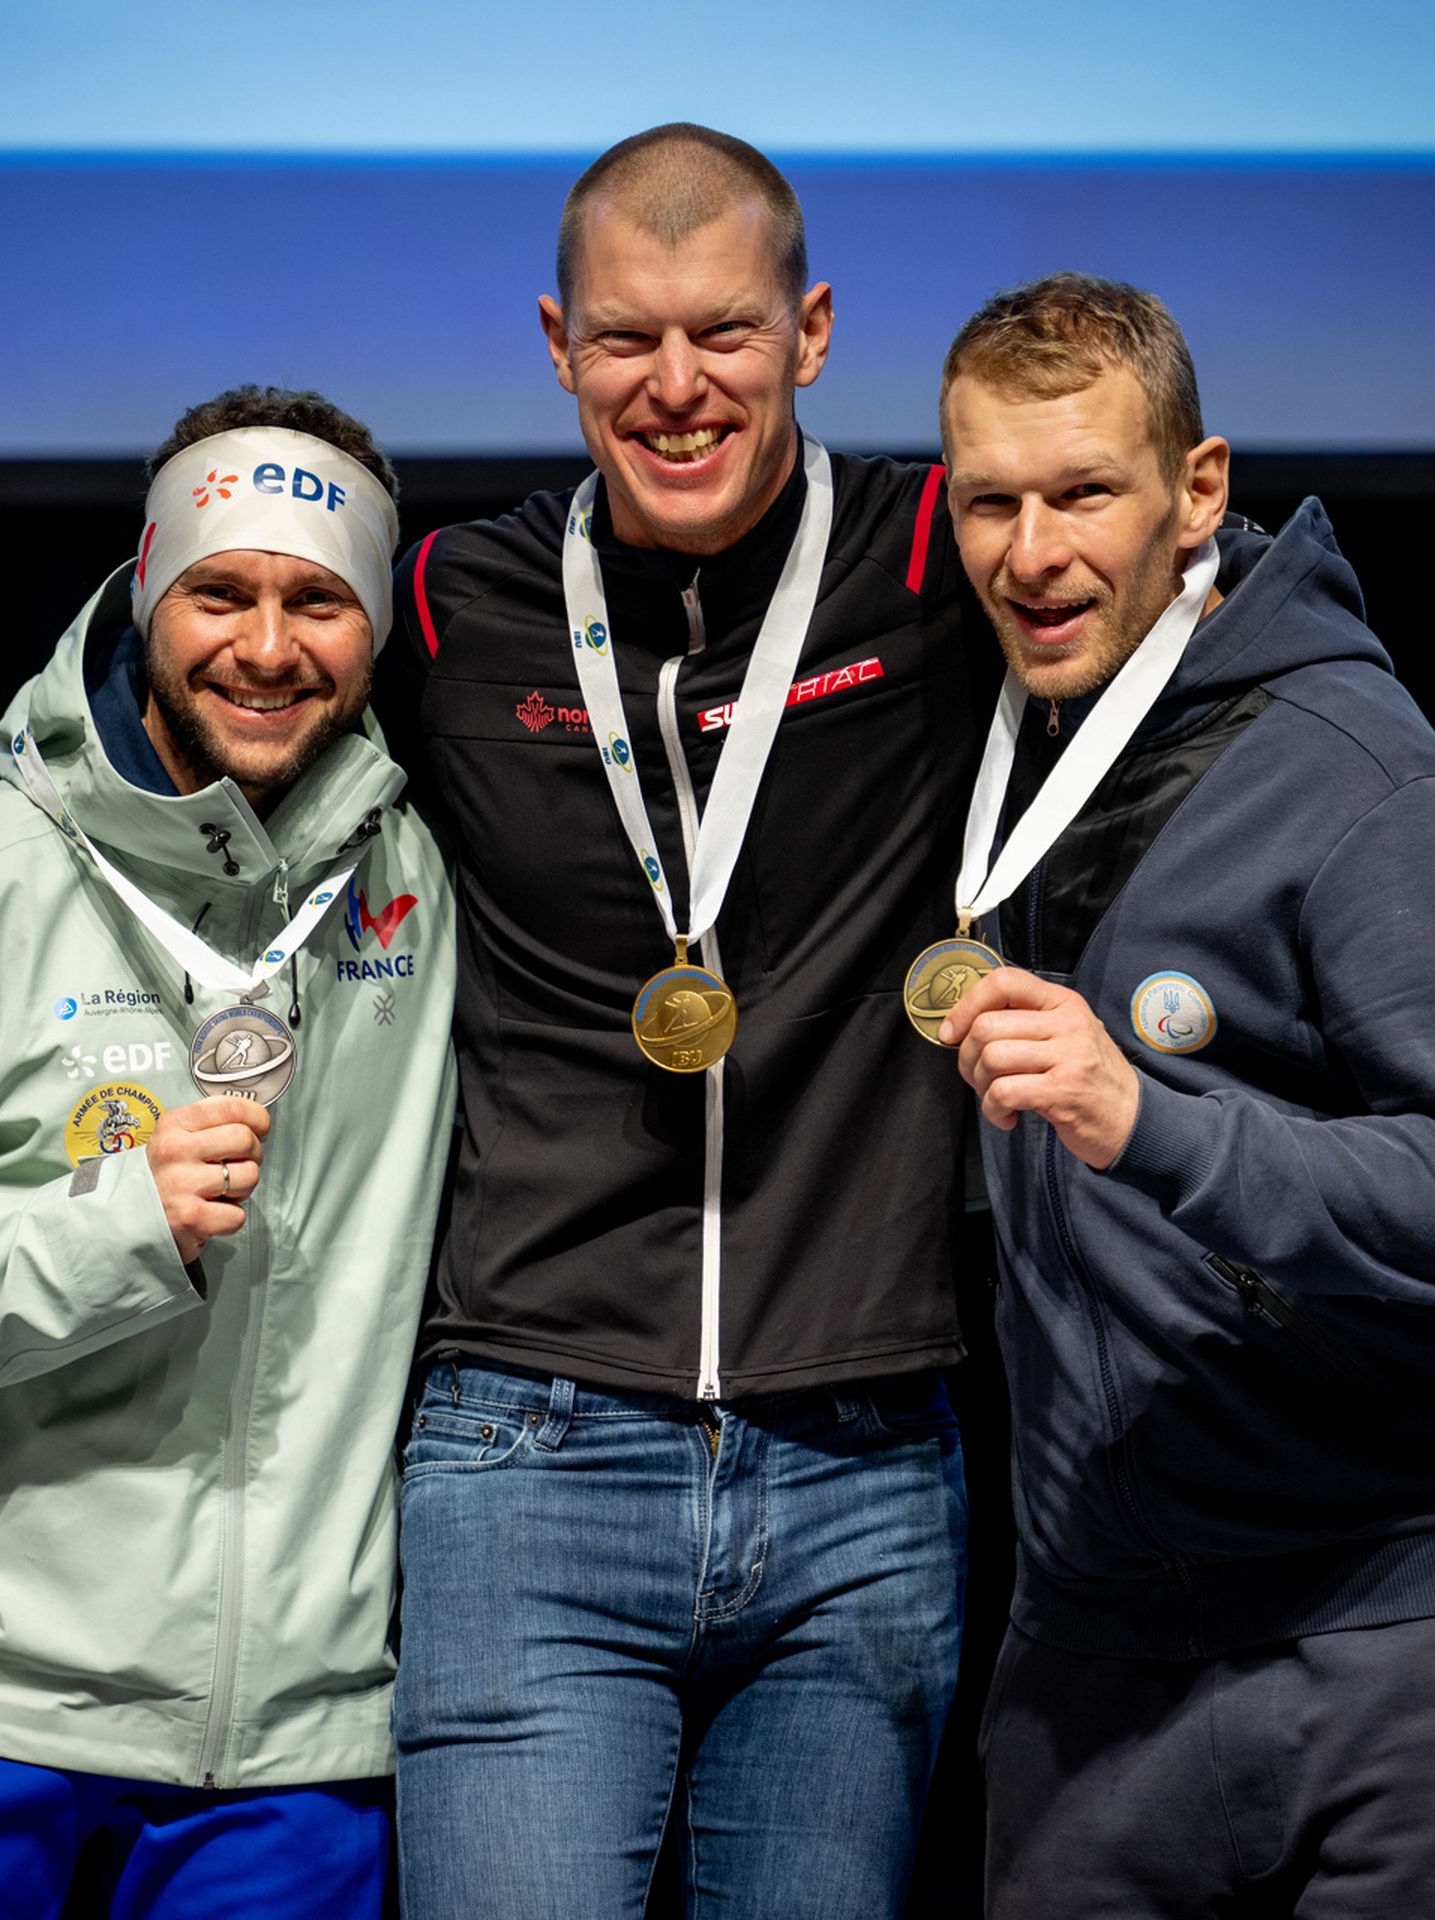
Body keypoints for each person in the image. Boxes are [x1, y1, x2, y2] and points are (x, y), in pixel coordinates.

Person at [0, 384, 455, 1917]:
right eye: (221, 592)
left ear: (376, 626)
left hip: (292, 1756)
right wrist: (107, 1229)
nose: (266, 648)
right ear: (144, 590)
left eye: (318, 600)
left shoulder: (434, 894)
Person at [372, 125, 994, 1913]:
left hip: (862, 1460)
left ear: (809, 331)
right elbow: (212, 690)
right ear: (557, 345)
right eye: (627, 340)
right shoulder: (450, 600)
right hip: (527, 1452)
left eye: (722, 332)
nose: (676, 386)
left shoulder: (937, 555)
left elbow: (1179, 584)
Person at [931, 273, 1435, 1916]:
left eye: (1086, 492)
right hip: (1093, 1655)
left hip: (1384, 1637)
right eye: (991, 503)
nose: (1033, 553)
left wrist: (1150, 1120)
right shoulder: (999, 738)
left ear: (1197, 490)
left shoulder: (1369, 780)